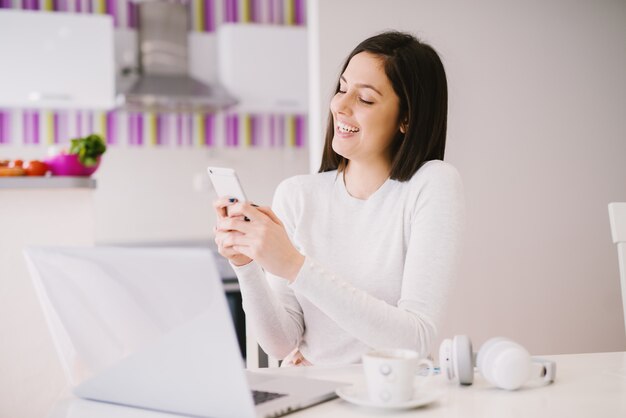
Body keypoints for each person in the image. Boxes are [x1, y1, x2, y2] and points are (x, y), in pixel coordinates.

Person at [213, 31, 465, 366]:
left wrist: (293, 265)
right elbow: (281, 343)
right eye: (343, 88)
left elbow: (414, 340)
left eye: (366, 99)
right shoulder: (298, 194)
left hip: (395, 397)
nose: (339, 106)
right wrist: (245, 264)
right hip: (320, 394)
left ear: (406, 119)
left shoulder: (431, 184)